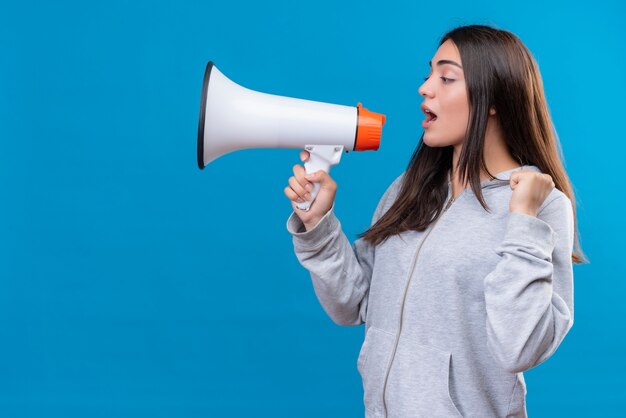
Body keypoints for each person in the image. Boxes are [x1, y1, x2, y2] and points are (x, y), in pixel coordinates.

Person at [284, 24, 587, 418]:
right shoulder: (409, 189)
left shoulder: (538, 205)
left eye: (446, 78)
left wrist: (523, 221)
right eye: (428, 75)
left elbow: (520, 348)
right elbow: (351, 303)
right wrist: (319, 224)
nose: (425, 88)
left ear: (493, 97)